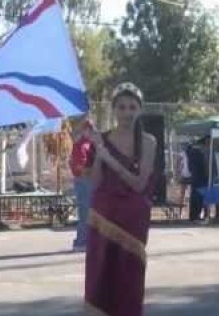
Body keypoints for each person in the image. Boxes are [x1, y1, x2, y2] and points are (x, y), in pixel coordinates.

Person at [84, 82, 158, 316]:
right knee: (101, 271)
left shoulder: (148, 141)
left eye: (132, 107)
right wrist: (98, 152)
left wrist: (109, 158)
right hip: (103, 214)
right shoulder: (102, 139)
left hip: (132, 217)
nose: (127, 113)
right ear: (114, 110)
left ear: (139, 110)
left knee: (129, 273)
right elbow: (95, 182)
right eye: (122, 107)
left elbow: (139, 183)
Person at [69, 116, 94, 252]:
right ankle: (81, 242)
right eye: (88, 129)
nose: (90, 132)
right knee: (85, 212)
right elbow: (79, 166)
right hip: (84, 181)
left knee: (88, 212)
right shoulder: (81, 145)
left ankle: (85, 240)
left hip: (88, 181)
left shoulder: (88, 144)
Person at [187, 136, 218, 222]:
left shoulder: (192, 152)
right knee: (200, 197)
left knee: (200, 197)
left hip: (199, 178)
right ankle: (197, 215)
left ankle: (198, 214)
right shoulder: (199, 152)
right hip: (201, 178)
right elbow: (201, 166)